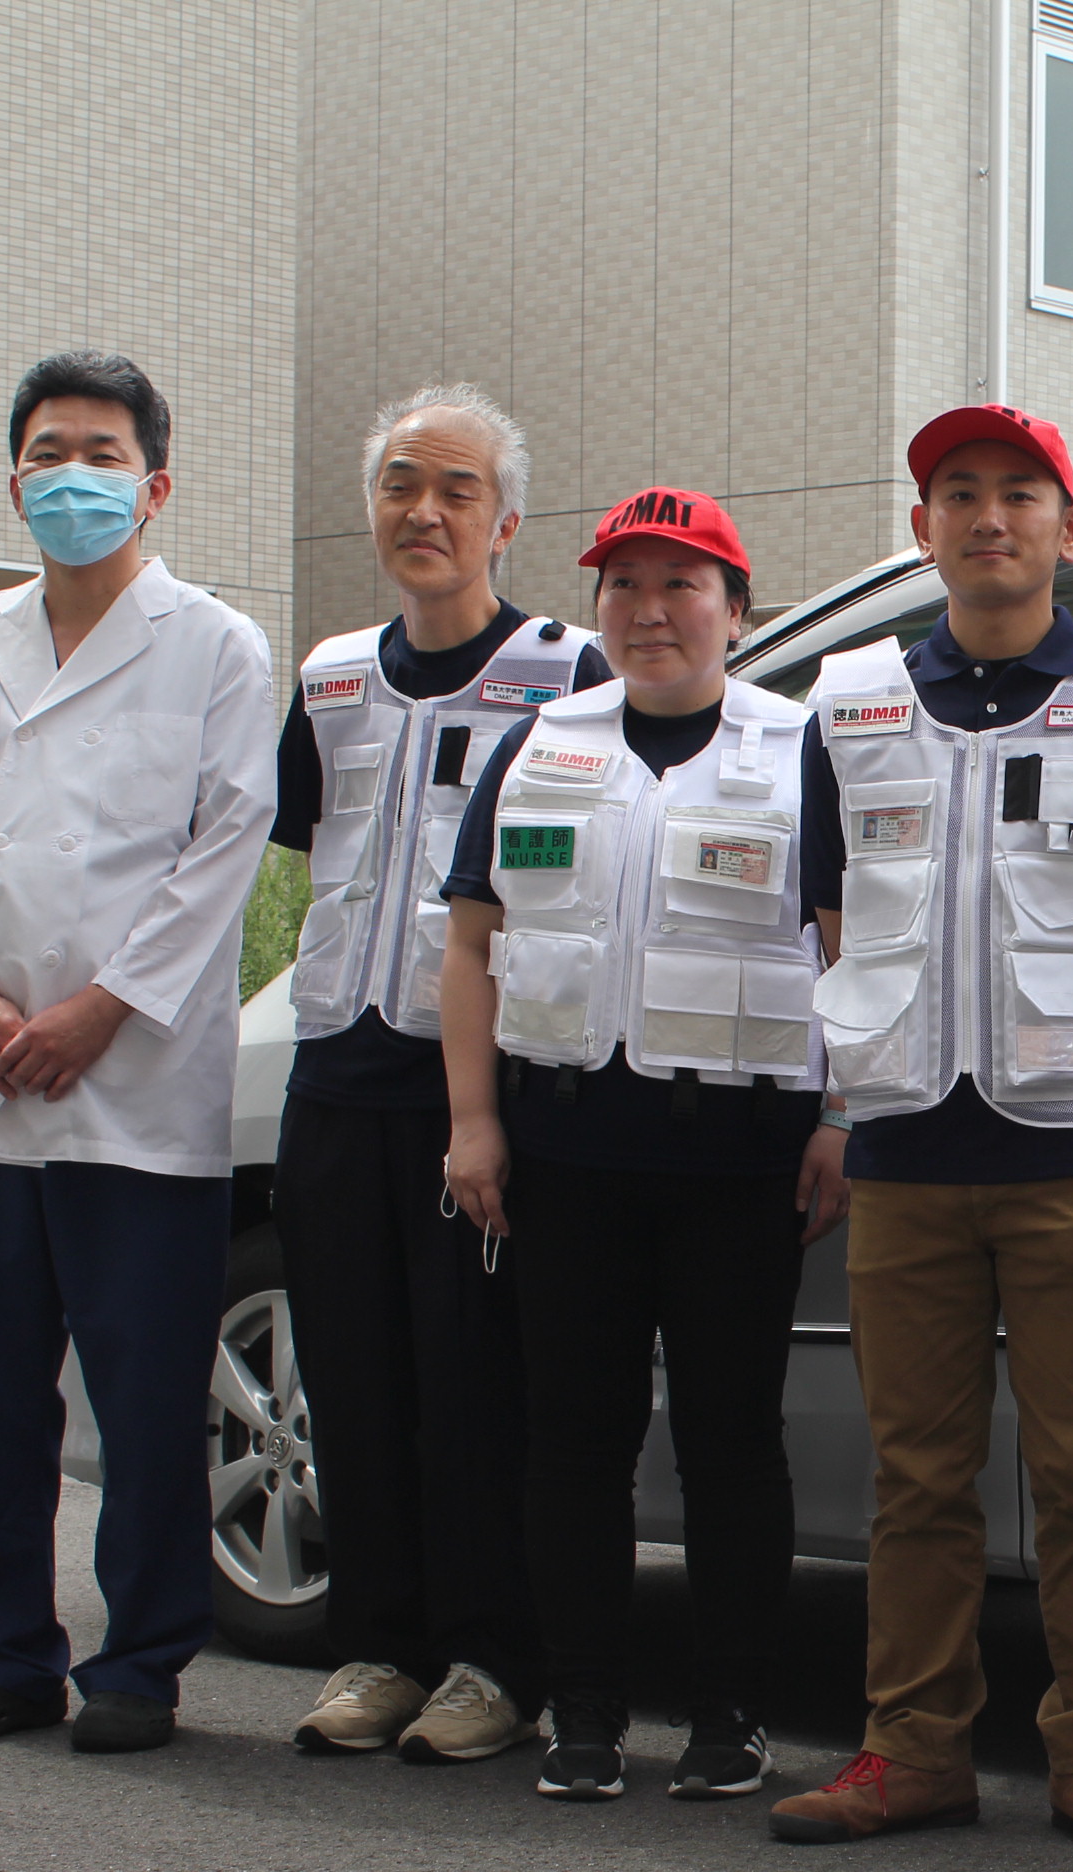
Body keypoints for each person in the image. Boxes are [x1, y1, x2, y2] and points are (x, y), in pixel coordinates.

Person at [765, 406, 1073, 1860]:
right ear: (921, 530)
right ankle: (914, 1748)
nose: (989, 518)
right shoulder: (851, 711)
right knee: (917, 1477)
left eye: (1021, 495)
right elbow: (836, 922)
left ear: (1070, 530)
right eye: (957, 495)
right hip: (908, 1158)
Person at [0, 350, 278, 1754]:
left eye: (103, 456)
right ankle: (0, 1654)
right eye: (51, 454)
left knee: (146, 1393)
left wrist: (99, 1011)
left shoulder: (218, 647)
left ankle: (139, 1664)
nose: (75, 479)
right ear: (13, 481)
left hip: (134, 1086)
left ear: (156, 485)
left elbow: (224, 846)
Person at [437, 486, 835, 1803]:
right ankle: (589, 1712)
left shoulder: (801, 750)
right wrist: (475, 1123)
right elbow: (471, 950)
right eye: (624, 587)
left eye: (682, 585)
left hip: (738, 1161)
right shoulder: (542, 744)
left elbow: (858, 954)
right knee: (574, 1443)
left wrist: (843, 1118)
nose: (651, 612)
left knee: (732, 1441)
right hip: (566, 1156)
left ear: (737, 607)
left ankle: (731, 1712)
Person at [271, 385, 599, 1765]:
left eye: (458, 489)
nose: (426, 510)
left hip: (474, 1082)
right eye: (403, 483)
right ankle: (379, 1645)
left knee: (476, 1385)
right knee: (348, 1372)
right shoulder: (331, 676)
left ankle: (489, 1660)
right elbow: (308, 844)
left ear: (507, 522)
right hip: (336, 1066)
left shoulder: (567, 673)